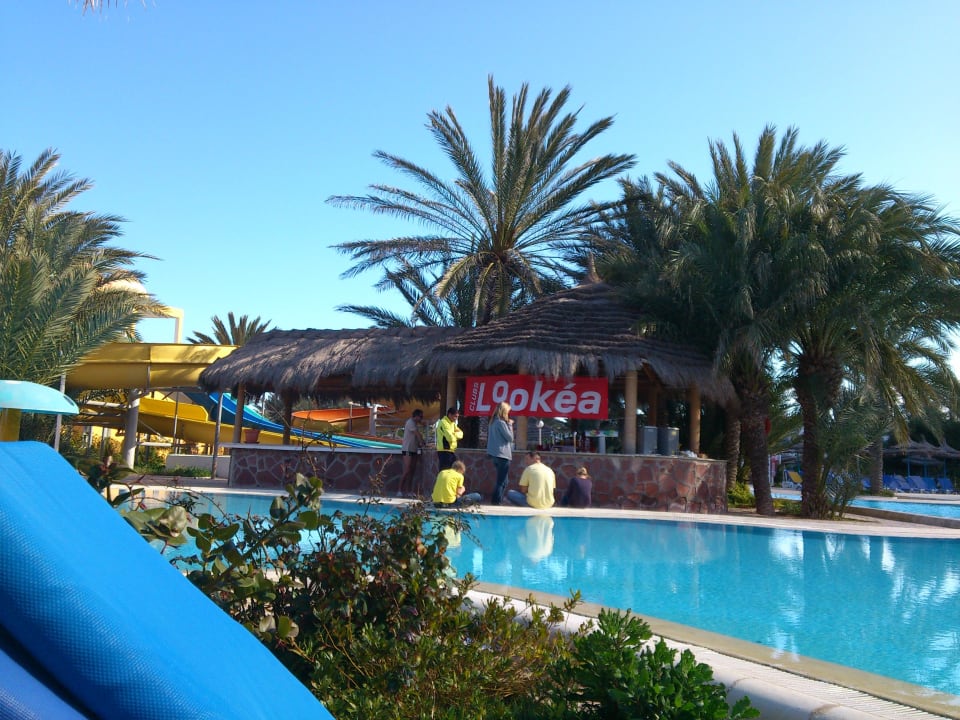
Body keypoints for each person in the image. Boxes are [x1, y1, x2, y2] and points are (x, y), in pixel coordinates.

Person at [486, 401, 514, 504]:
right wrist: (510, 425)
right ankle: (496, 502)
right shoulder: (501, 423)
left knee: (504, 481)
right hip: (503, 455)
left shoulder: (492, 422)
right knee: (501, 481)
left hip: (495, 455)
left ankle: (498, 501)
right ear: (504, 411)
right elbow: (510, 438)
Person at [397, 408, 426, 496]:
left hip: (413, 449)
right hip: (407, 449)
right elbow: (417, 434)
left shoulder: (415, 424)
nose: (421, 418)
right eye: (420, 417)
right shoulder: (410, 423)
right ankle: (399, 490)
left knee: (412, 471)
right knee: (407, 470)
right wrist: (422, 443)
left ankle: (408, 491)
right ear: (416, 416)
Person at [435, 406, 463, 471]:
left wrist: (453, 434)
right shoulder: (443, 422)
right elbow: (449, 438)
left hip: (450, 451)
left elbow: (461, 434)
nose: (456, 419)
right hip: (444, 451)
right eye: (455, 416)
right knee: (444, 472)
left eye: (457, 417)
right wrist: (455, 435)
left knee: (454, 470)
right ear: (450, 415)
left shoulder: (452, 424)